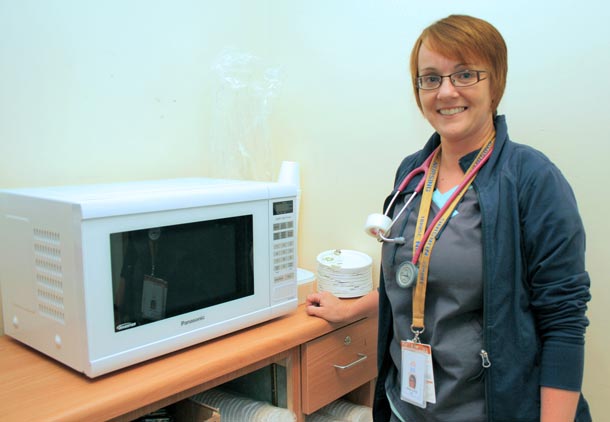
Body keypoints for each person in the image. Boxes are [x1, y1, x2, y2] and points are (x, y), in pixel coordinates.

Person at [306, 14, 591, 422]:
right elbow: (418, 275)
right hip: (407, 407)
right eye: (430, 78)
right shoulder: (412, 172)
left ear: (496, 83)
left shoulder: (532, 178)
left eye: (465, 74)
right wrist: (350, 310)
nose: (446, 91)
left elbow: (563, 320)